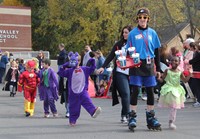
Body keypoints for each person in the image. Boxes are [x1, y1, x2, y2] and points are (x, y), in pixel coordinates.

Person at [126, 7, 161, 131]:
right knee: (135, 90)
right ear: (137, 19)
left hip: (149, 64)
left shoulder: (152, 33)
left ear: (148, 19)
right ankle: (132, 116)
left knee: (151, 91)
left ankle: (151, 116)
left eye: (145, 17)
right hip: (137, 64)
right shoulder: (132, 34)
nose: (142, 19)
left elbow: (157, 51)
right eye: (140, 17)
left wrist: (159, 69)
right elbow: (127, 50)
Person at [97, 25, 132, 123]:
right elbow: (110, 56)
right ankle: (128, 115)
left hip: (132, 72)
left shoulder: (134, 44)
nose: (125, 34)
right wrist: (102, 67)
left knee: (128, 95)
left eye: (127, 32)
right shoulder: (118, 45)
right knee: (125, 93)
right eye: (123, 32)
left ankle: (123, 114)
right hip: (120, 72)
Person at [58, 52, 101, 126]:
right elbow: (60, 73)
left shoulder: (84, 69)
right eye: (73, 61)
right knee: (73, 107)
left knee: (88, 101)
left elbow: (92, 69)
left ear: (80, 61)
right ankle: (72, 121)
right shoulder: (69, 71)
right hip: (73, 93)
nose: (75, 62)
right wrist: (64, 65)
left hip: (83, 91)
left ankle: (93, 111)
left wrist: (93, 62)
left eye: (77, 61)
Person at [158, 56, 191, 129]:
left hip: (176, 90)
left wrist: (190, 74)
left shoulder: (180, 72)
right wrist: (158, 77)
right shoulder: (167, 70)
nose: (174, 62)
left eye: (176, 61)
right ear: (169, 62)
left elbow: (185, 80)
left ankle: (171, 121)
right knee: (172, 106)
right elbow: (162, 80)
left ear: (179, 63)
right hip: (169, 89)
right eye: (172, 61)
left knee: (174, 107)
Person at [189, 41, 200, 107]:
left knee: (197, 87)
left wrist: (189, 61)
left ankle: (199, 101)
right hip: (197, 72)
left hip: (198, 72)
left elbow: (192, 61)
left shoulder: (198, 54)